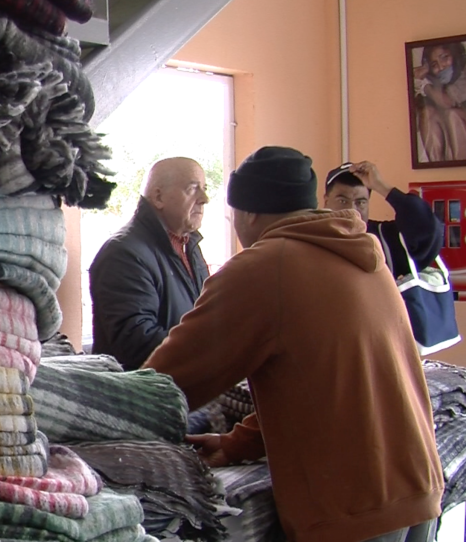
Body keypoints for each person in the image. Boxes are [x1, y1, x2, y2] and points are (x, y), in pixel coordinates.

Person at [143, 146, 443, 542]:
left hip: (353, 509)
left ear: (249, 212)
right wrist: (238, 443)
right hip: (417, 491)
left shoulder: (263, 268)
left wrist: (85, 414)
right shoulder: (363, 255)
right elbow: (322, 385)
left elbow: (165, 384)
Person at [89, 157, 210, 370]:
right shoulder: (123, 254)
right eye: (192, 189)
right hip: (144, 396)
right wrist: (216, 346)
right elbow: (137, 345)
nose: (204, 199)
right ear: (158, 197)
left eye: (204, 188)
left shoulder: (188, 245)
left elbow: (206, 315)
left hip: (186, 385)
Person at [323, 160, 443, 278]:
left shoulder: (384, 238)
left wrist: (381, 186)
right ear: (326, 201)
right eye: (342, 201)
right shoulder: (314, 238)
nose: (352, 210)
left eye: (360, 202)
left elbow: (428, 228)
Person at [412, 41, 466, 162]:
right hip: (457, 147)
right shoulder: (439, 85)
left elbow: (447, 101)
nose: (441, 67)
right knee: (427, 112)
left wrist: (422, 83)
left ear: (455, 54)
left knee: (453, 115)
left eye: (445, 57)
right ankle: (436, 173)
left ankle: (458, 174)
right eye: (434, 64)